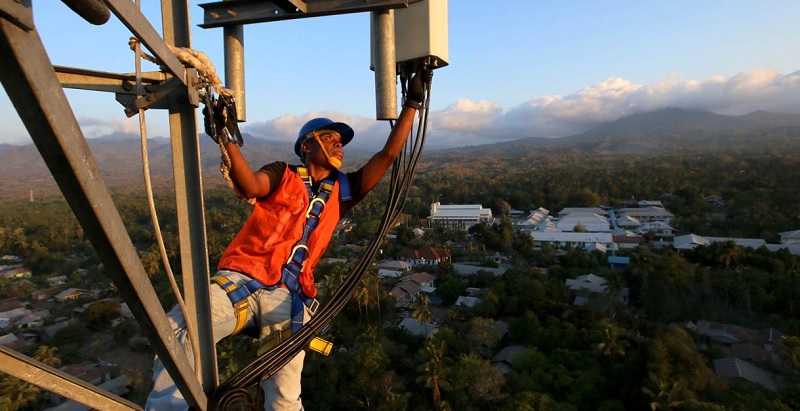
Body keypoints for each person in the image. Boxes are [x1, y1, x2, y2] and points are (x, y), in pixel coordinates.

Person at [145, 67, 431, 411]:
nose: (339, 144)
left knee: (285, 396)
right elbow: (251, 186)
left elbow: (387, 155)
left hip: (289, 298)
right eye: (330, 138)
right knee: (180, 329)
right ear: (307, 146)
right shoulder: (282, 174)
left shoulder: (344, 190)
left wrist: (412, 103)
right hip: (242, 280)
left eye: (341, 141)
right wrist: (227, 139)